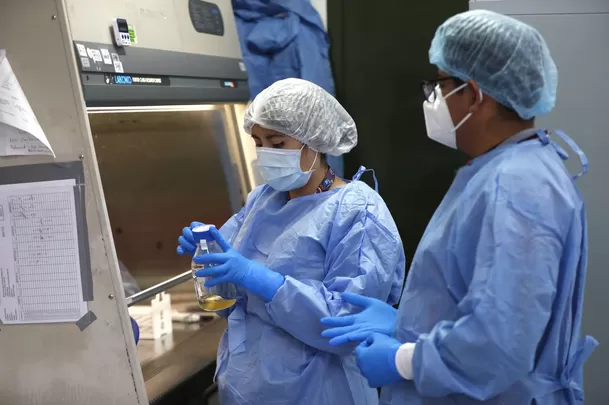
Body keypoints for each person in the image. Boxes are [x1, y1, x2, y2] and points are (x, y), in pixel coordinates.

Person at [320, 10, 597, 404]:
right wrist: (408, 324)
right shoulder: (505, 168)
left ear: (474, 94)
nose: (432, 96)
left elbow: (501, 342)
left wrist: (402, 360)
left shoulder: (516, 185)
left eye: (440, 83)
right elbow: (488, 298)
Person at [176, 78, 406, 405]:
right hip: (248, 386)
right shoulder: (263, 200)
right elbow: (229, 296)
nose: (265, 153)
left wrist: (263, 281)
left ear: (315, 141)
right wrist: (208, 250)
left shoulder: (359, 212)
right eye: (258, 142)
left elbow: (348, 324)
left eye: (277, 143)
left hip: (320, 391)